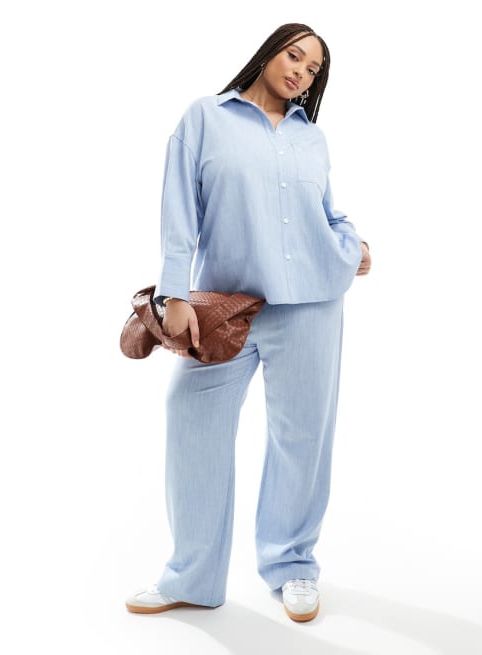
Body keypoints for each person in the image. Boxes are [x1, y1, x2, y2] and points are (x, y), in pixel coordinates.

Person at [125, 22, 371, 622]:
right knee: (191, 424)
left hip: (311, 305)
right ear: (268, 53)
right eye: (294, 56)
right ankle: (192, 576)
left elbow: (326, 213)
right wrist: (174, 293)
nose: (300, 72)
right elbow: (179, 209)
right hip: (224, 310)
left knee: (302, 439)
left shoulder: (311, 137)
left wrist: (352, 246)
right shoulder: (205, 118)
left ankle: (292, 565)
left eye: (312, 70)